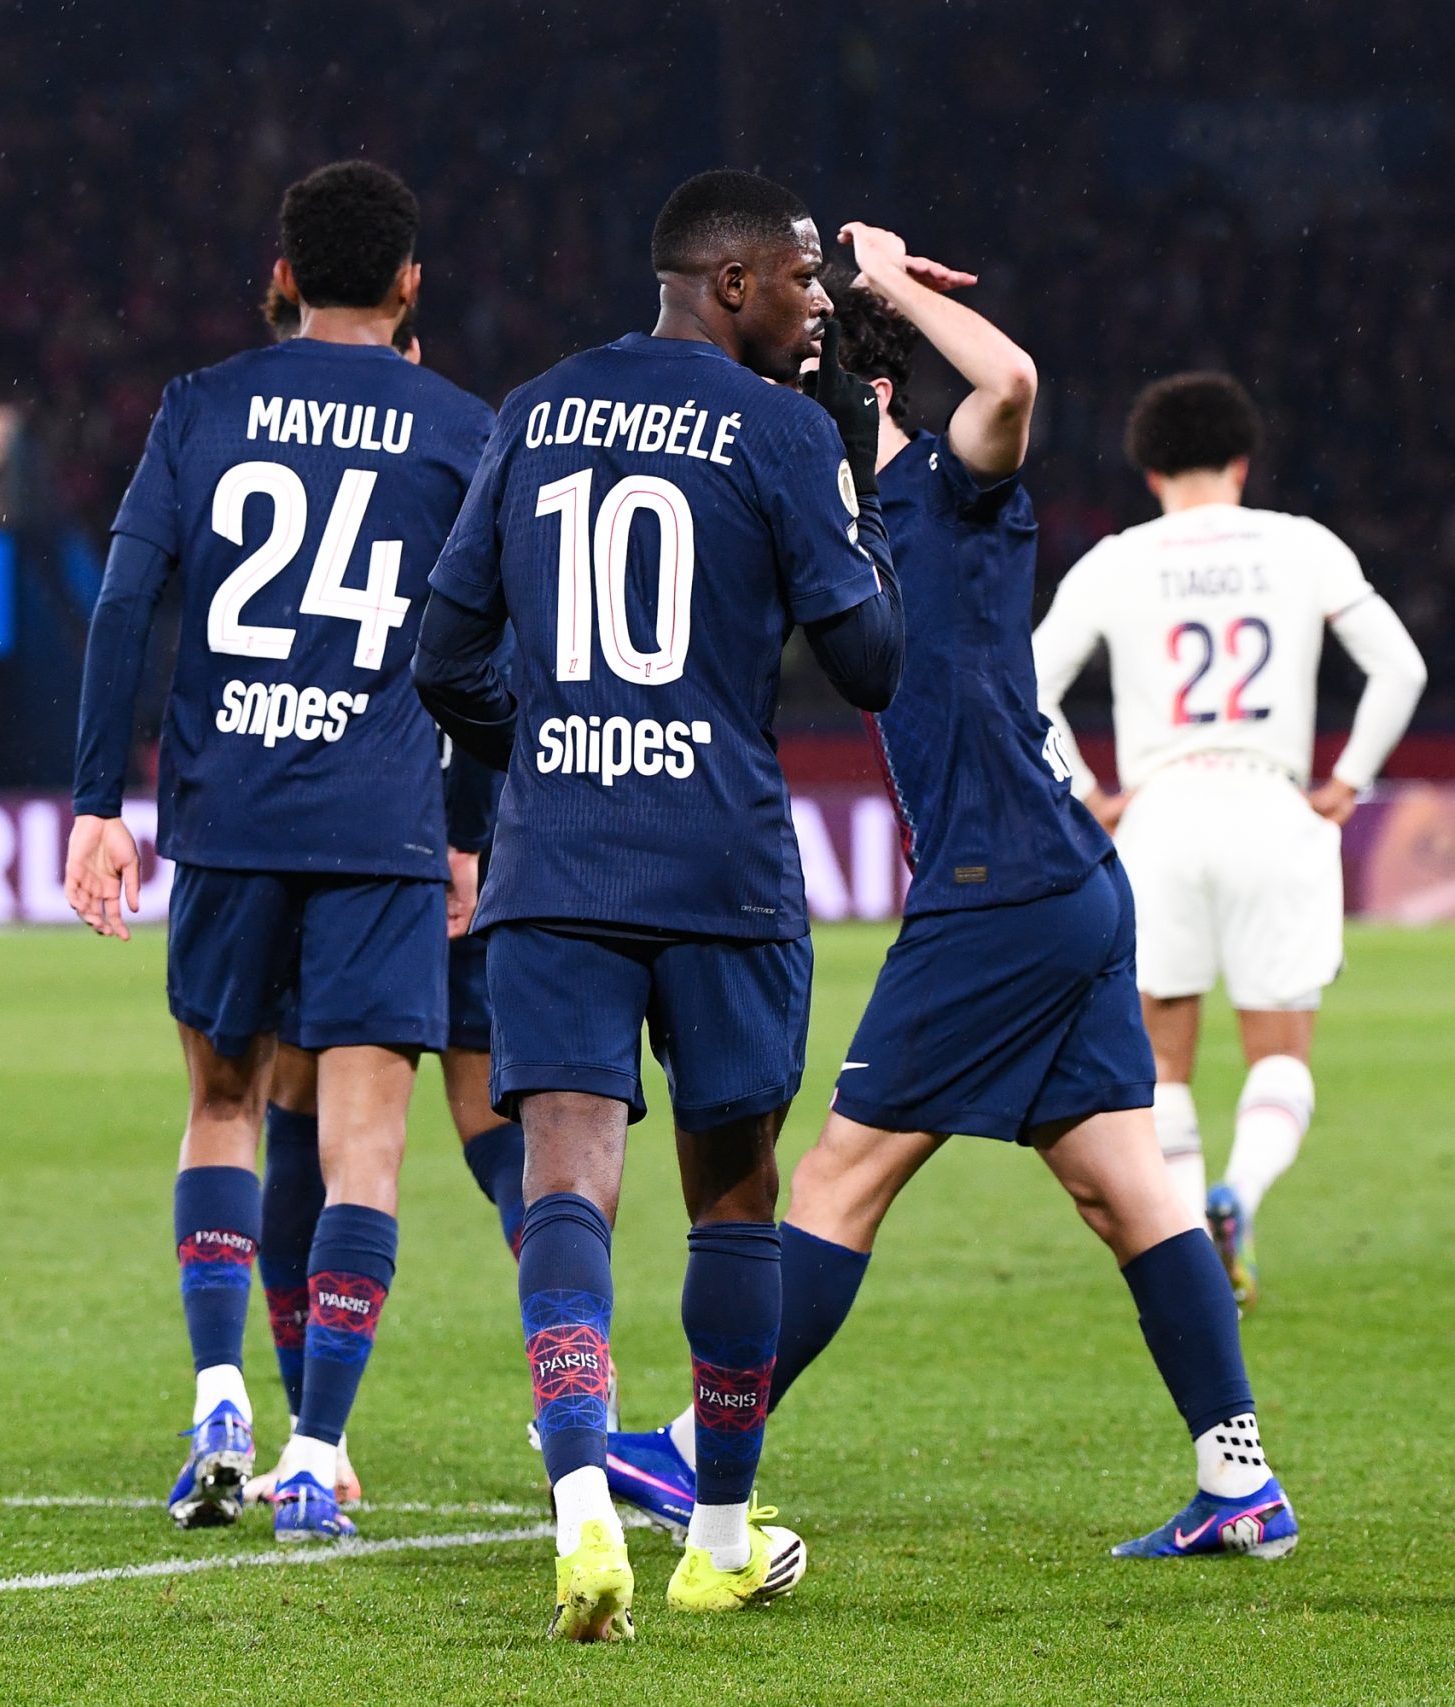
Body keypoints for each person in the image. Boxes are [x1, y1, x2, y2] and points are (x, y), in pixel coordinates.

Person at [603, 230, 1299, 1565]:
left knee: (838, 1174)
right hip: (1057, 883)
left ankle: (696, 1451)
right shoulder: (846, 534)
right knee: (1127, 1191)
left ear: (848, 407)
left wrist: (888, 285)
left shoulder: (944, 483)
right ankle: (1240, 1475)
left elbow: (1015, 383)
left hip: (1001, 889)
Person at [415, 167, 902, 1639]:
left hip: (557, 857)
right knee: (734, 1193)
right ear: (734, 281)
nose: (819, 307)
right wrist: (861, 479)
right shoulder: (784, 428)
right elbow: (870, 659)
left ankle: (578, 1515)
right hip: (719, 861)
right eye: (805, 281)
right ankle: (721, 1534)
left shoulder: (536, 406)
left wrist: (548, 744)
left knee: (563, 1179)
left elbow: (445, 655)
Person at [65, 160, 494, 1542]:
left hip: (229, 813)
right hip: (381, 827)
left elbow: (125, 603)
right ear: (412, 282)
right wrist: (472, 829)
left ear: (288, 271)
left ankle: (215, 1395)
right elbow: (494, 655)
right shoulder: (461, 430)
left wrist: (94, 804)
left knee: (224, 1104)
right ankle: (317, 1447)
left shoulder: (202, 408)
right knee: (365, 1143)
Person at [1034, 372, 1428, 1306]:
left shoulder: (1118, 560)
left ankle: (1190, 1246)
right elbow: (1400, 667)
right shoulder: (1300, 545)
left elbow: (1027, 684)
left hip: (1162, 814)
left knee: (1162, 1057)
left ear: (1147, 469)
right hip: (1271, 805)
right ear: (1243, 462)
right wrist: (1349, 781)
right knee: (1280, 1051)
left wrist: (1089, 793)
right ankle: (1239, 1193)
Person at [240, 283, 525, 1515]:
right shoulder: (461, 447)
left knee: (309, 1108)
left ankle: (319, 1430)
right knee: (490, 1120)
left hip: (380, 835)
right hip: (470, 830)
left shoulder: (329, 447)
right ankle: (580, 1392)